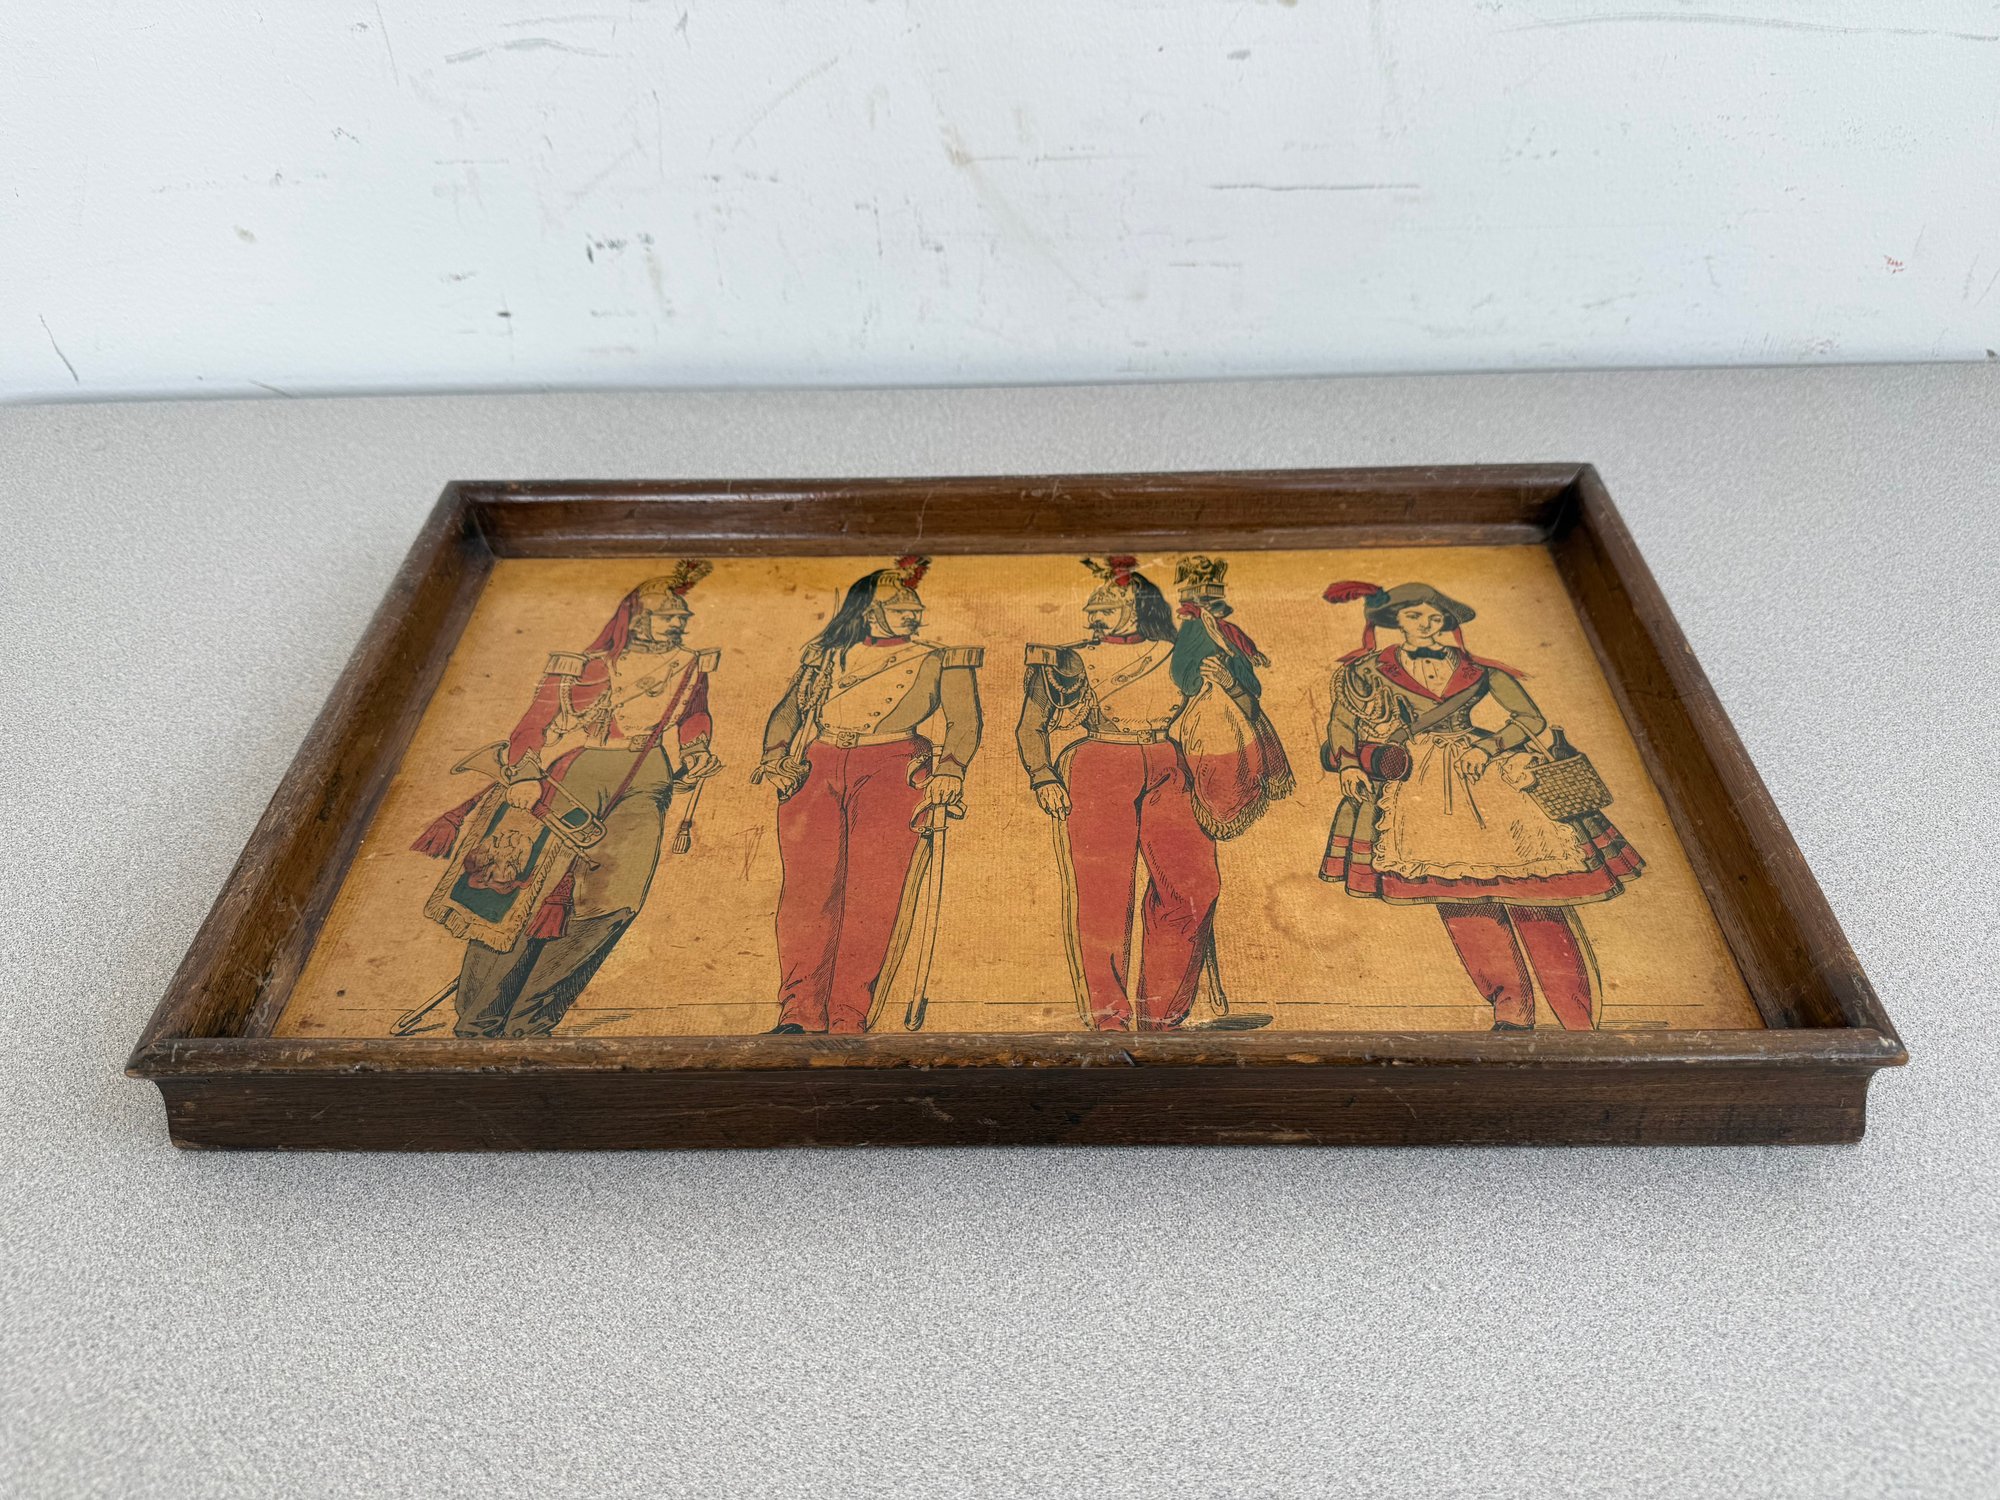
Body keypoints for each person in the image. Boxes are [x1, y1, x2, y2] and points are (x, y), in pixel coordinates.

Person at [413, 564, 723, 1037]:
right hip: (576, 773)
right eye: (669, 616)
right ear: (638, 620)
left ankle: (532, 1020)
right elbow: (533, 724)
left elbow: (695, 715)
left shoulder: (689, 665)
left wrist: (696, 750)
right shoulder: (582, 667)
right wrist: (525, 774)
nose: (680, 623)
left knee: (614, 902)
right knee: (523, 894)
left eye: (682, 617)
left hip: (648, 778)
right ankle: (479, 1018)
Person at [1319, 579, 1643, 1031]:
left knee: (1538, 893)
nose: (1426, 625)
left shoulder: (1479, 669)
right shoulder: (1369, 671)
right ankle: (1510, 1012)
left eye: (1435, 618)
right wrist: (1351, 765)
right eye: (1415, 616)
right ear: (1395, 621)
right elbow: (1342, 722)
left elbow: (1529, 719)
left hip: (1486, 778)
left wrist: (1488, 747)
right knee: (1459, 900)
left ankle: (1577, 1017)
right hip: (1417, 787)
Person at [754, 556, 983, 1033]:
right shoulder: (825, 656)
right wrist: (775, 756)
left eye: (914, 606)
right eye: (901, 606)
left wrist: (950, 770)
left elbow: (964, 722)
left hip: (893, 766)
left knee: (873, 895)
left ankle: (848, 1013)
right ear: (869, 610)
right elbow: (789, 710)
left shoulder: (942, 657)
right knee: (805, 897)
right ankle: (799, 1012)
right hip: (817, 768)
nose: (914, 613)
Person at [1017, 556, 1239, 1031]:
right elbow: (1031, 727)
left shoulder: (1180, 652)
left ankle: (1163, 1018)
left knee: (1193, 889)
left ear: (1137, 607)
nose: (1093, 615)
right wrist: (1042, 775)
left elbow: (1224, 706)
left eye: (1106, 607)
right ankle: (1110, 1020)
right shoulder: (1065, 659)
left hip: (1169, 763)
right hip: (1098, 765)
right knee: (1103, 898)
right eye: (1092, 608)